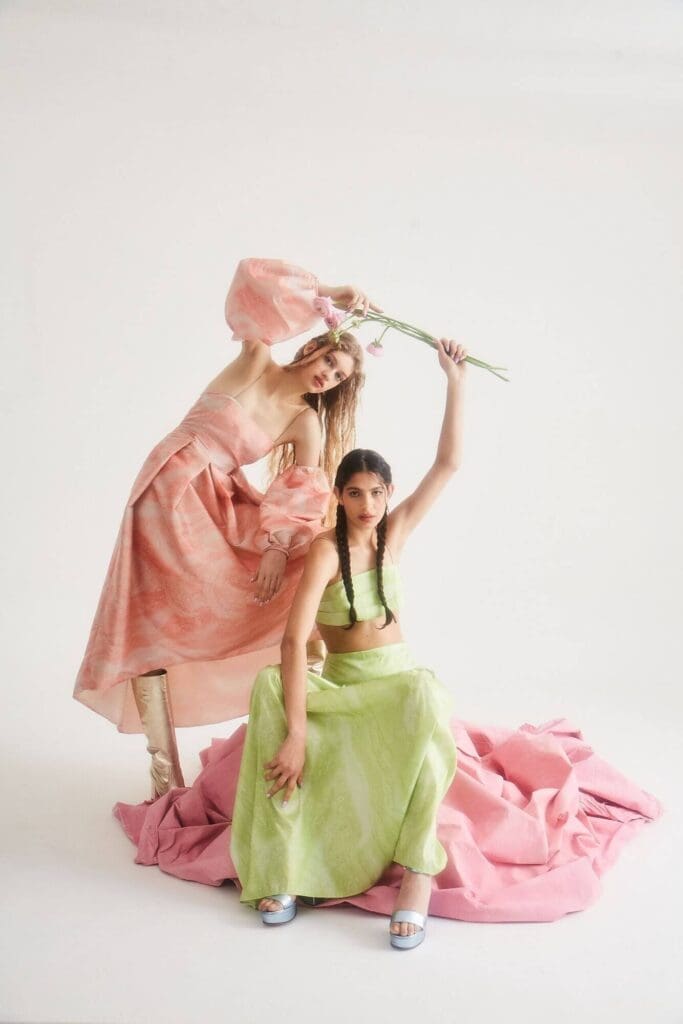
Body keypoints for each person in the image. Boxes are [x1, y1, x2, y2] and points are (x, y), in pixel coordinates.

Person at [74, 257, 380, 797]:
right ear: (311, 346)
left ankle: (309, 725)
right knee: (150, 617)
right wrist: (331, 292)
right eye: (328, 362)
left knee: (310, 561)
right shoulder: (257, 361)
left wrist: (274, 549)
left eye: (337, 377)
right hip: (169, 485)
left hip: (216, 499)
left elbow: (303, 491)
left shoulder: (303, 420)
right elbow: (251, 279)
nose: (326, 376)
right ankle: (164, 776)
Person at [231, 337, 468, 950]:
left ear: (389, 496)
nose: (367, 505)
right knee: (267, 688)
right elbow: (291, 643)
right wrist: (298, 733)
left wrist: (454, 382)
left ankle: (417, 874)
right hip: (340, 683)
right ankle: (285, 869)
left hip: (392, 681)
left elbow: (447, 465)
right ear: (339, 495)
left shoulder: (396, 532)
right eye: (355, 493)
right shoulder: (323, 550)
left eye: (377, 493)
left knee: (428, 695)